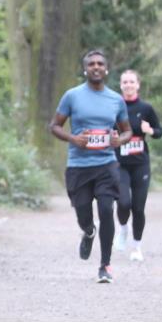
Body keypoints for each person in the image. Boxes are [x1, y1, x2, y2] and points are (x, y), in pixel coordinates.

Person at [49, 50, 132, 283]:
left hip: (106, 164)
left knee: (107, 211)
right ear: (85, 69)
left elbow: (127, 130)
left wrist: (120, 140)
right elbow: (54, 126)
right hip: (78, 166)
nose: (96, 67)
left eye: (100, 64)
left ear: (106, 70)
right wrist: (73, 139)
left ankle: (105, 266)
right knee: (83, 212)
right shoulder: (72, 96)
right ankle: (88, 231)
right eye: (91, 64)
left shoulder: (116, 99)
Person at [115, 69, 162, 261]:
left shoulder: (146, 108)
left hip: (141, 164)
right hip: (119, 163)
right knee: (124, 202)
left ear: (138, 85)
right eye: (125, 82)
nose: (128, 85)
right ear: (120, 85)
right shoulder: (114, 107)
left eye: (131, 82)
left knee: (138, 207)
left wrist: (149, 129)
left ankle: (137, 247)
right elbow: (106, 131)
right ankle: (123, 229)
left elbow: (159, 132)